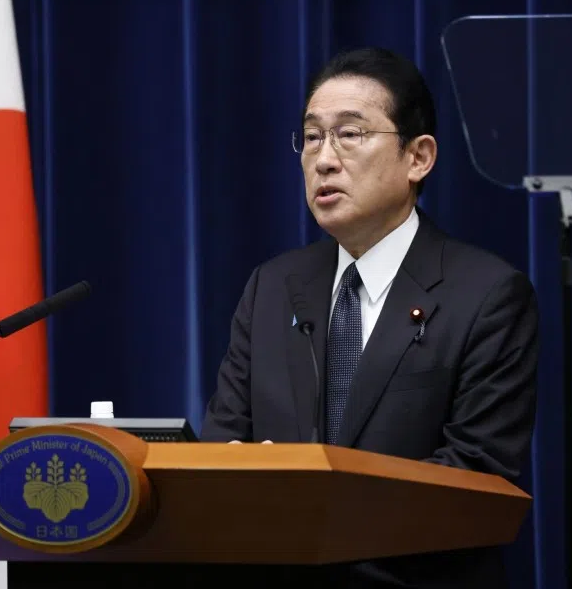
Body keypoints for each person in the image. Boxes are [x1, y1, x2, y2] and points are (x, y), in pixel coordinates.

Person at [200, 47, 539, 588]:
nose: (324, 160)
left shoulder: (487, 295)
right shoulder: (273, 287)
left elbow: (472, 477)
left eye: (350, 134)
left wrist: (311, 509)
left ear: (418, 157)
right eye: (312, 137)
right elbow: (223, 444)